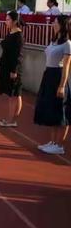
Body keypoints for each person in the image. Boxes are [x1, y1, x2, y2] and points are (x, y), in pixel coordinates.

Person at [34, 15, 70, 155]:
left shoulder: (67, 44)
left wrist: (62, 85)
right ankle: (52, 141)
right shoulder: (53, 40)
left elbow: (66, 67)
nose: (53, 25)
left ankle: (59, 145)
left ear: (62, 25)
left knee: (60, 110)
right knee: (51, 108)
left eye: (55, 23)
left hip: (58, 76)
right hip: (48, 75)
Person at [0, 11, 24, 127]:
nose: (5, 21)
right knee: (13, 94)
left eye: (8, 19)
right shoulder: (11, 33)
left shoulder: (18, 36)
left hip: (13, 68)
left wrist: (14, 71)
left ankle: (11, 120)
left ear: (14, 21)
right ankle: (11, 119)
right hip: (6, 67)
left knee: (14, 95)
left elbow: (17, 55)